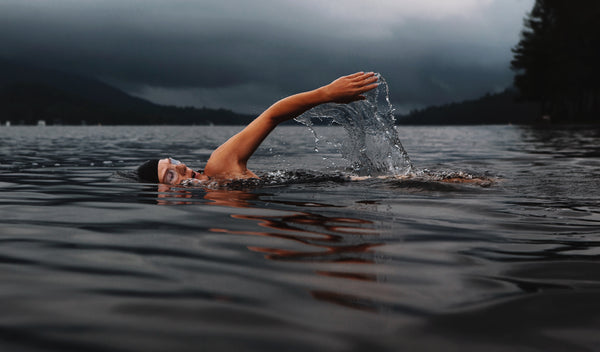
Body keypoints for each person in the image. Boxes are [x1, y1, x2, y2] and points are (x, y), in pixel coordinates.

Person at [137, 72, 379, 185]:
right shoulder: (215, 204)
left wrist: (325, 94)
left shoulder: (219, 167)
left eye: (173, 161)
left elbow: (271, 116)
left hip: (362, 184)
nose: (180, 166)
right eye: (170, 175)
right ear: (164, 196)